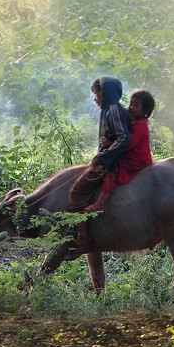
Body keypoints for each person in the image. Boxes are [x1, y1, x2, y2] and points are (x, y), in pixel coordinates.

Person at [71, 88, 155, 255]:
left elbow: (129, 143)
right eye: (131, 104)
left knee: (113, 173)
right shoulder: (134, 120)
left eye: (136, 106)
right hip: (131, 156)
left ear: (145, 112)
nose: (131, 108)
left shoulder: (141, 126)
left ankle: (100, 203)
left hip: (135, 161)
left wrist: (109, 145)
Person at [68, 77, 130, 251]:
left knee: (76, 192)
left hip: (110, 163)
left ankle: (83, 236)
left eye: (97, 94)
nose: (95, 99)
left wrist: (105, 155)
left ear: (105, 93)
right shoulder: (109, 111)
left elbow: (124, 138)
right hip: (106, 160)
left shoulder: (113, 110)